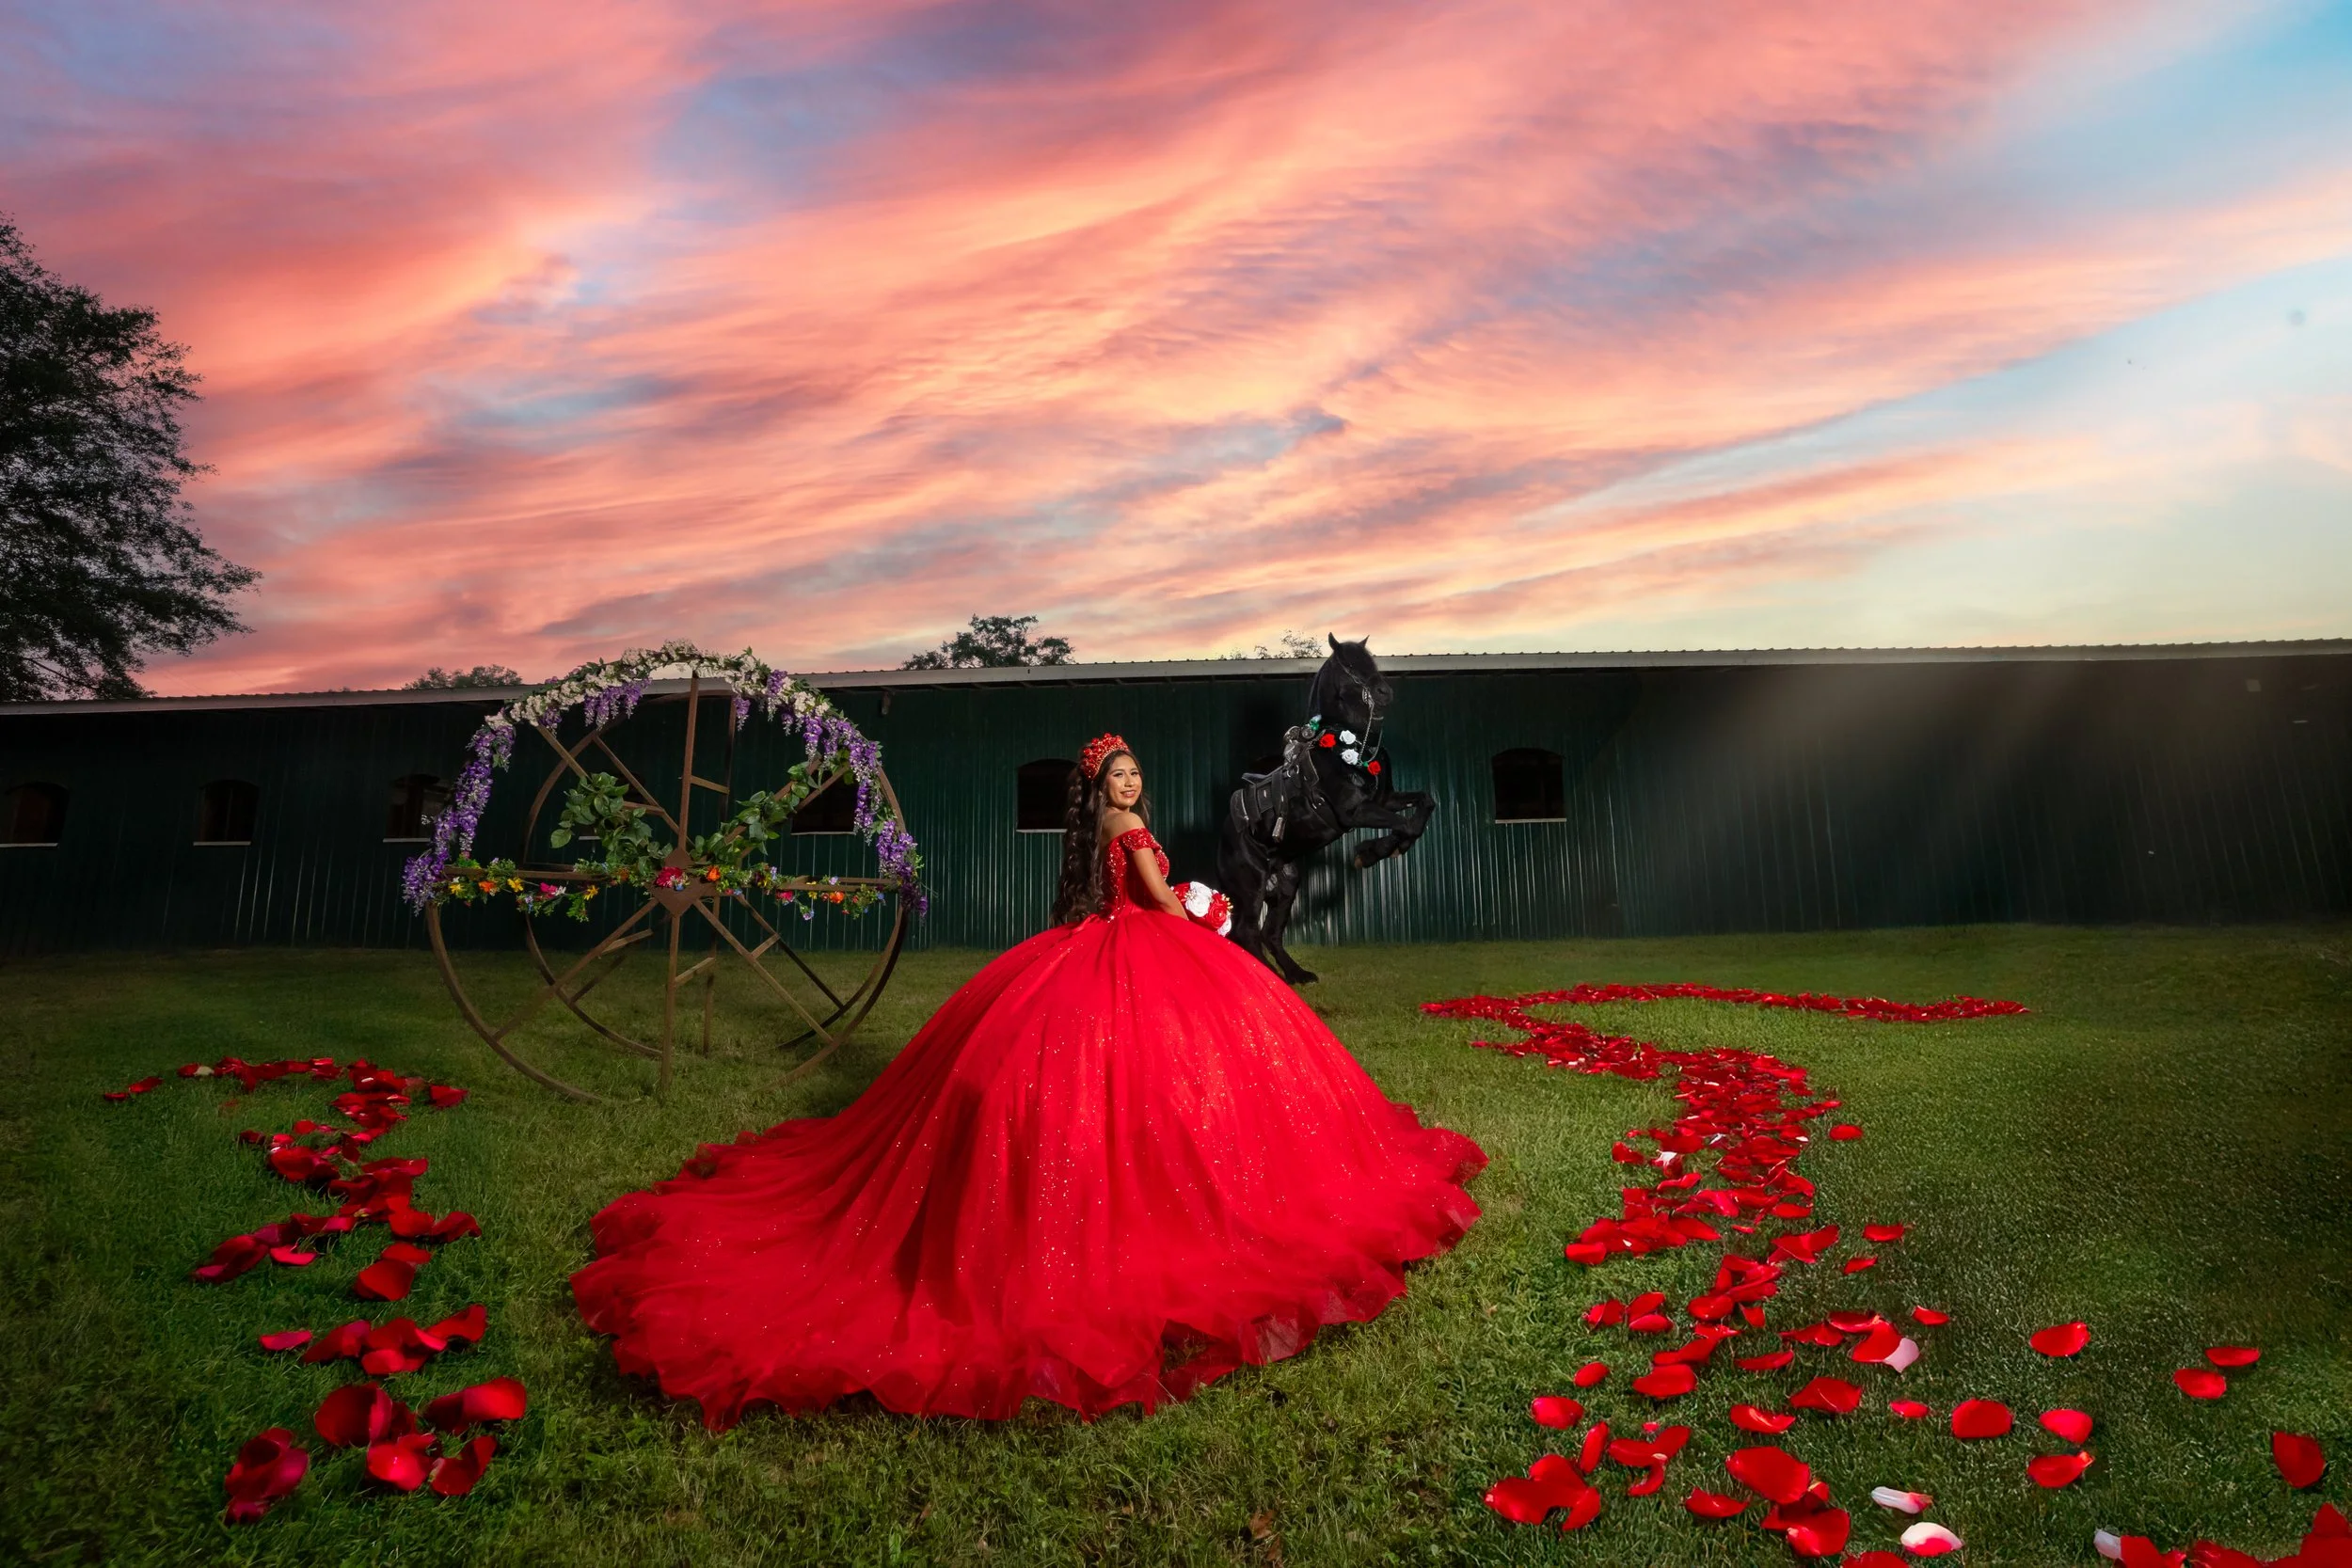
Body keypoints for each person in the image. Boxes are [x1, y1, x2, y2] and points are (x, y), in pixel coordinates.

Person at [571, 733, 1485, 1426]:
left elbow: (1127, 894)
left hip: (1102, 942)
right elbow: (1160, 901)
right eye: (1116, 775)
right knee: (1185, 1064)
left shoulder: (1102, 826)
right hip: (1147, 944)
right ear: (1100, 788)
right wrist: (1204, 908)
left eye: (1132, 774)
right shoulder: (1127, 827)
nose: (1128, 787)